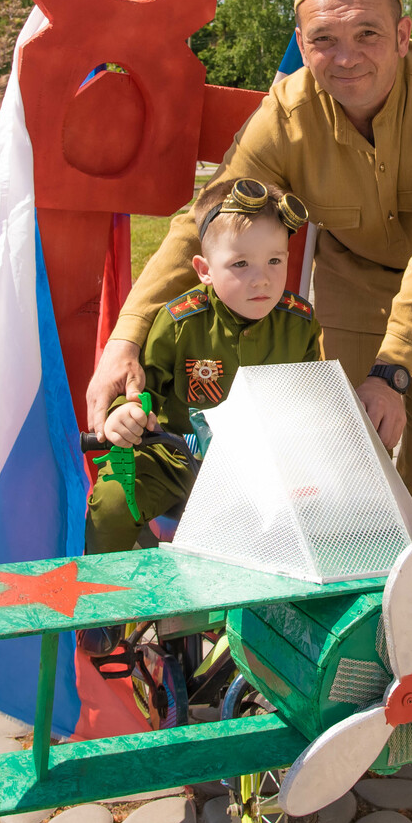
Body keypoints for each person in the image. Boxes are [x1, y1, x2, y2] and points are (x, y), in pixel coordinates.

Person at [86, 0, 412, 520]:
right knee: (349, 466)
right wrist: (125, 339)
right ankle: (349, 596)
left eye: (368, 34)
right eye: (324, 40)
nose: (347, 58)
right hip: (352, 285)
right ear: (302, 45)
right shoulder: (286, 110)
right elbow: (203, 223)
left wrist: (393, 370)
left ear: (403, 35)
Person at [86, 178, 321, 554]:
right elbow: (139, 390)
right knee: (112, 503)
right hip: (177, 458)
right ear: (204, 268)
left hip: (264, 466)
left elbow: (309, 400)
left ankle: (275, 607)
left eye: (274, 260)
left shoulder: (299, 323)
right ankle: (108, 605)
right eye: (240, 263)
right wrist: (125, 413)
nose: (261, 278)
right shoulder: (178, 322)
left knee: (324, 506)